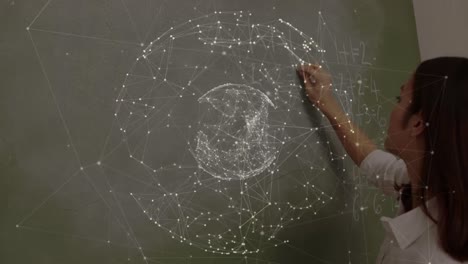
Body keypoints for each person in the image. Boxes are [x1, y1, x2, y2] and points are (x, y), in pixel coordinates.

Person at [297, 57, 468, 263]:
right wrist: (326, 102)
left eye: (399, 99)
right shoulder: (427, 184)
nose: (393, 108)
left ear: (417, 123)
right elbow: (372, 160)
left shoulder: (429, 257)